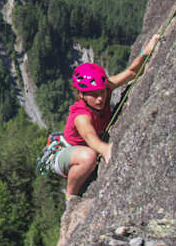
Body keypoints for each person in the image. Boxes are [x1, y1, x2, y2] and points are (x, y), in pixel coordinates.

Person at [54, 34, 160, 201]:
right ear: (82, 95)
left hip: (81, 148)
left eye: (102, 92)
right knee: (89, 157)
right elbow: (91, 139)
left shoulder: (105, 88)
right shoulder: (81, 116)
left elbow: (132, 72)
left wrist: (145, 52)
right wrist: (107, 150)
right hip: (66, 153)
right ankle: (71, 195)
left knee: (89, 155)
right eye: (94, 95)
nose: (100, 99)